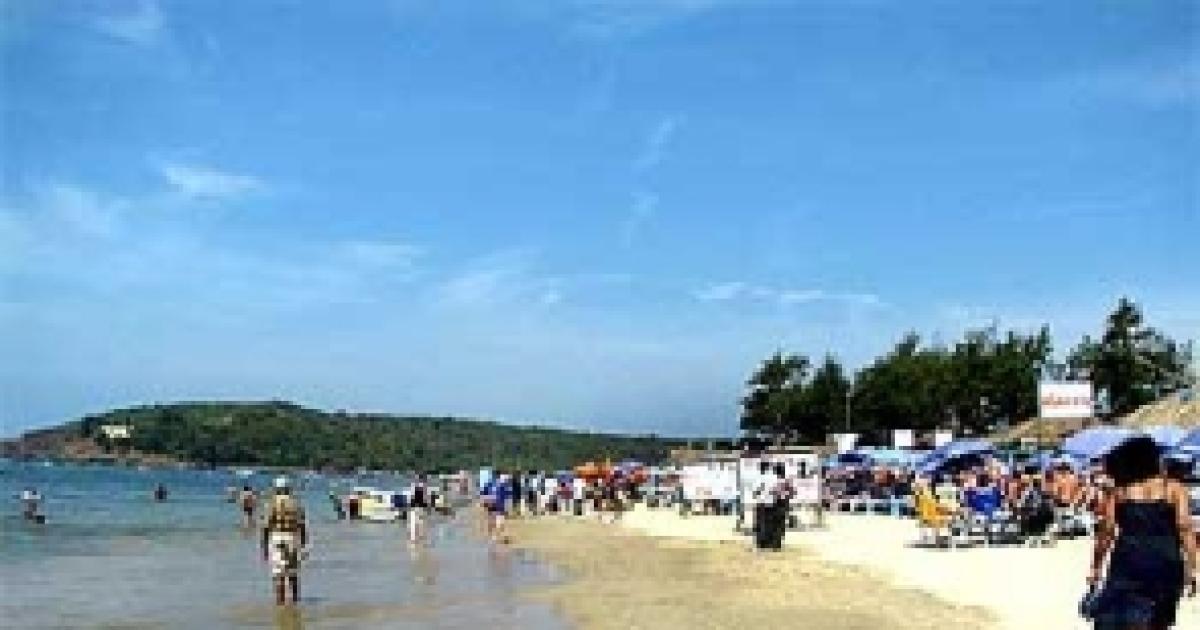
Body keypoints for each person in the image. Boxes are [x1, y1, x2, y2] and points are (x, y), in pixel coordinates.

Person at [1089, 436, 1197, 630]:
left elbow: (1107, 531)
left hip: (1129, 560)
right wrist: (1192, 567)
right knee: (1159, 621)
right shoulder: (1174, 489)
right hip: (1166, 561)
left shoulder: (1120, 491)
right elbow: (1184, 527)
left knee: (1119, 618)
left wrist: (1096, 567)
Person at [261, 477, 308, 606]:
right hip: (292, 537)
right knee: (293, 573)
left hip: (277, 537)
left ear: (276, 489)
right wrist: (303, 544)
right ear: (288, 489)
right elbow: (302, 525)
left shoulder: (271, 504)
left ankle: (280, 604)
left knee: (279, 575)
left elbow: (266, 526)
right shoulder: (296, 504)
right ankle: (295, 602)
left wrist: (264, 547)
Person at [408, 475, 429, 545]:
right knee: (421, 523)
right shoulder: (424, 486)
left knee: (414, 523)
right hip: (421, 507)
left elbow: (412, 497)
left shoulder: (414, 486)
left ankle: (414, 539)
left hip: (415, 506)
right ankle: (420, 538)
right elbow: (425, 498)